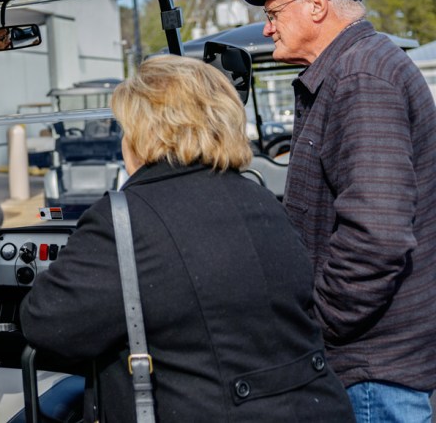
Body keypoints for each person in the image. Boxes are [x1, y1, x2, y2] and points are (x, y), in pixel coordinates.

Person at [20, 56, 353, 422]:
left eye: (126, 129)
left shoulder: (123, 219)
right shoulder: (260, 199)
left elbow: (47, 324)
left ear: (145, 133)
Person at [238, 0, 436, 422]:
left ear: (317, 5)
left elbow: (379, 236)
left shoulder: (361, 77)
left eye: (273, 12)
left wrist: (318, 321)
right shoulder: (353, 69)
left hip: (373, 371)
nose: (267, 27)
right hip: (373, 364)